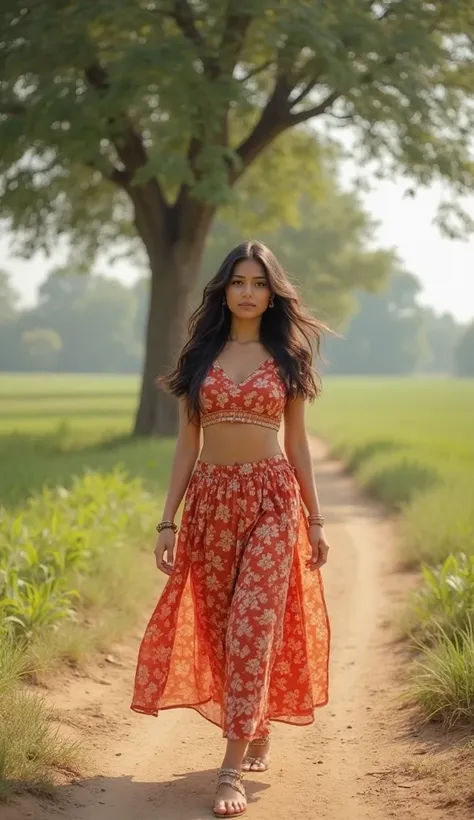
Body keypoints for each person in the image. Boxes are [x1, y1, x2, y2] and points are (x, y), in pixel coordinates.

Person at [130, 240, 331, 817]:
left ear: (273, 293)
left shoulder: (288, 359)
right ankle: (256, 719)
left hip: (271, 498)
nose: (248, 292)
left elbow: (296, 443)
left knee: (251, 626)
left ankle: (229, 771)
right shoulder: (200, 357)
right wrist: (168, 520)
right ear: (224, 290)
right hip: (211, 505)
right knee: (221, 630)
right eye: (239, 281)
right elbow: (186, 445)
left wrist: (314, 518)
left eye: (259, 283)